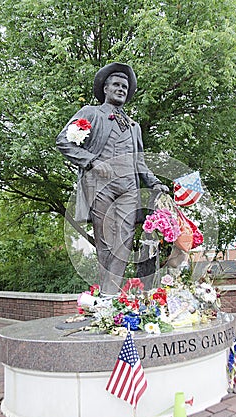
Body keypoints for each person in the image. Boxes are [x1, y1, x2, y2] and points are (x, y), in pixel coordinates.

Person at [56, 62, 168, 296]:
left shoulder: (134, 127)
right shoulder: (91, 113)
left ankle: (111, 294)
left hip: (128, 188)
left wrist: (154, 182)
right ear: (105, 89)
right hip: (100, 186)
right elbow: (63, 141)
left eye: (125, 87)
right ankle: (108, 296)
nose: (121, 89)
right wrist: (92, 161)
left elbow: (139, 162)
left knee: (125, 241)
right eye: (116, 85)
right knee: (105, 241)